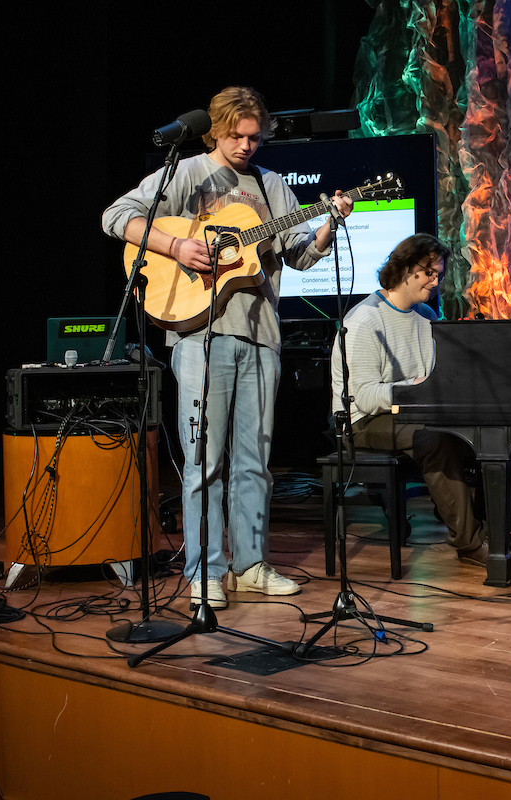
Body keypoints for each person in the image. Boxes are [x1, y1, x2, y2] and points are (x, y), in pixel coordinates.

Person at [102, 86, 354, 609]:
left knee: (254, 461)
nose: (246, 146)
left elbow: (301, 258)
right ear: (215, 130)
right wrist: (175, 245)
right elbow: (115, 215)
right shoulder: (187, 174)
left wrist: (328, 225)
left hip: (261, 334)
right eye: (236, 136)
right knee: (203, 461)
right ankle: (204, 571)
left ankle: (251, 565)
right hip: (197, 334)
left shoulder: (273, 185)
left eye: (255, 138)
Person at [330, 234, 487, 566]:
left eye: (439, 275)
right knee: (433, 440)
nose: (435, 281)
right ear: (403, 269)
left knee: (486, 434)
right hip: (362, 422)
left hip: (411, 411)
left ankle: (491, 532)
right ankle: (470, 544)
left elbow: (438, 373)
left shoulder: (426, 316)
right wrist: (413, 388)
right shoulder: (363, 321)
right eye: (429, 272)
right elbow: (366, 397)